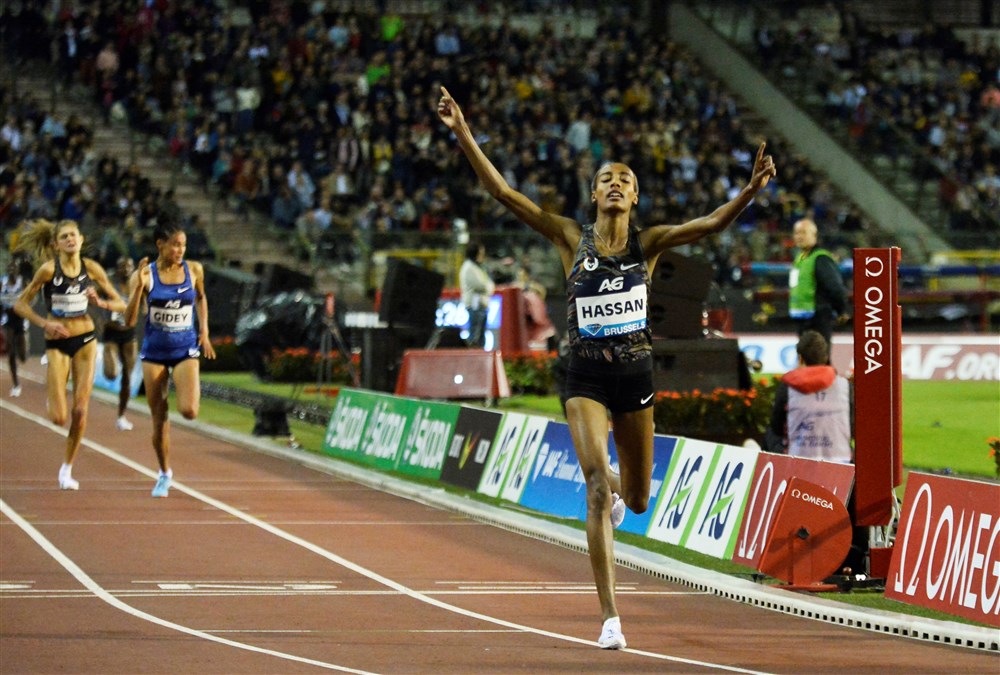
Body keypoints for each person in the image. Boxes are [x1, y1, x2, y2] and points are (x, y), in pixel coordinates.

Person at [437, 87, 776, 649]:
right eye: (605, 179)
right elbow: (500, 191)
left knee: (636, 500)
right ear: (594, 195)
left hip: (636, 379)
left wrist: (748, 192)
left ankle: (621, 492)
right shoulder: (571, 236)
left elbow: (713, 224)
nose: (615, 183)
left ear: (635, 198)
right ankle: (611, 618)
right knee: (595, 488)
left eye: (625, 179)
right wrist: (463, 131)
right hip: (586, 378)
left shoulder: (651, 244)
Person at [13, 219, 127, 490]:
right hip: (57, 342)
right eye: (64, 237)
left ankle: (67, 469)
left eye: (73, 235)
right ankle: (53, 395)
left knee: (80, 410)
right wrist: (45, 323)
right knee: (59, 417)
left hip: (86, 338)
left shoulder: (93, 269)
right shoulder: (48, 270)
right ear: (56, 244)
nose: (69, 240)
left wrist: (100, 302)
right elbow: (20, 304)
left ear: (81, 238)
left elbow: (122, 304)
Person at [125, 221, 216, 498]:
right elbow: (129, 321)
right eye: (175, 244)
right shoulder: (144, 275)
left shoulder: (194, 269)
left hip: (185, 348)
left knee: (189, 411)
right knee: (159, 418)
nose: (180, 250)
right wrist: (139, 289)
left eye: (183, 245)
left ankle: (182, 387)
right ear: (160, 245)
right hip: (154, 352)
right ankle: (164, 473)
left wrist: (205, 331)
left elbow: (201, 298)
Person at [764, 329, 853, 462]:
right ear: (827, 357)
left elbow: (777, 426)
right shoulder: (846, 387)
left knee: (770, 433)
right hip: (841, 461)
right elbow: (853, 425)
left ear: (800, 358)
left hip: (799, 461)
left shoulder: (788, 387)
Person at [788, 218, 849, 353]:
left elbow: (835, 286)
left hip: (818, 317)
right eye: (796, 233)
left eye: (803, 232)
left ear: (814, 235)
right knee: (808, 359)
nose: (799, 236)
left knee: (819, 358)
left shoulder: (821, 258)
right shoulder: (801, 258)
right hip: (803, 318)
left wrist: (841, 310)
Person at [101, 256, 138, 431]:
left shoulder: (137, 285)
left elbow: (145, 304)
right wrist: (100, 320)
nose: (126, 269)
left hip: (129, 334)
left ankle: (121, 416)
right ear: (117, 269)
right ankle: (107, 359)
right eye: (122, 266)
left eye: (129, 266)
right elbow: (91, 300)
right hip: (111, 333)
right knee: (111, 374)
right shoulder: (108, 284)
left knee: (127, 378)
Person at [459, 240, 495, 349]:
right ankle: (472, 357)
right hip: (475, 305)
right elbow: (481, 285)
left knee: (481, 336)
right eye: (481, 253)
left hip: (482, 305)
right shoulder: (468, 267)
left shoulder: (478, 267)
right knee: (475, 335)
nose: (483, 256)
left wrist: (488, 286)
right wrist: (489, 287)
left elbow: (488, 284)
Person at [2, 258, 30, 397]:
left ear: (18, 271)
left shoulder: (22, 282)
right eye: (9, 269)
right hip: (8, 318)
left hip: (21, 318)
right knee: (10, 350)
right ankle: (16, 384)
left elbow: (32, 296)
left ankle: (23, 352)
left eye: (14, 269)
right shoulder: (2, 283)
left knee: (23, 356)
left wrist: (25, 306)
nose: (12, 271)